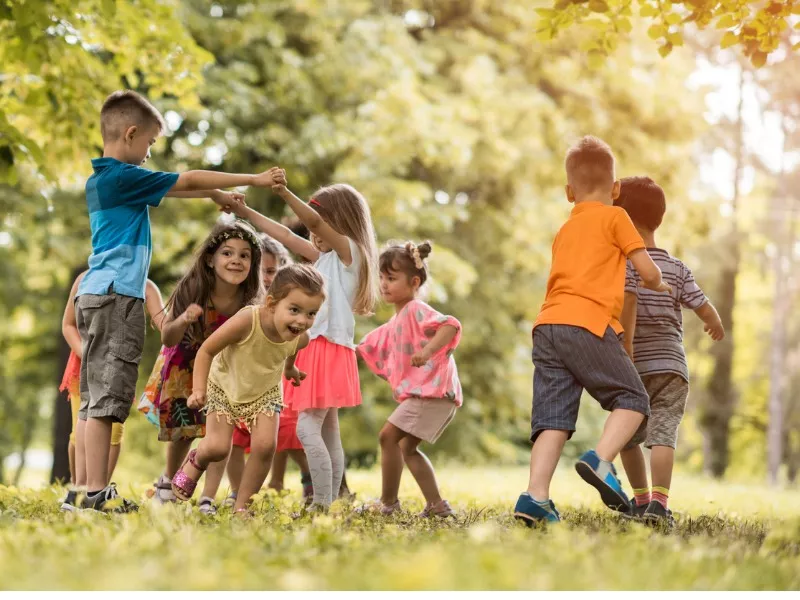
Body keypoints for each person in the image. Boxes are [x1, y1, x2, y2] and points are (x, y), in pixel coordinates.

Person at [74, 88, 283, 512]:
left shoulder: (104, 180)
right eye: (149, 143)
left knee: (97, 397)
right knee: (109, 399)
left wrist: (215, 197)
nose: (150, 153)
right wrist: (253, 180)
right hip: (117, 297)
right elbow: (184, 180)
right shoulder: (122, 176)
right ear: (130, 133)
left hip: (98, 294)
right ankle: (93, 493)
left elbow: (177, 188)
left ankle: (87, 490)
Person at [512, 135, 670, 525]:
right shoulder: (617, 217)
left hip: (547, 326)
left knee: (552, 419)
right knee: (634, 400)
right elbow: (646, 269)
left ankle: (535, 497)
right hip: (587, 323)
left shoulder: (565, 229)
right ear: (616, 190)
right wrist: (659, 282)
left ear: (569, 192)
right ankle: (601, 460)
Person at [231, 180, 378, 510]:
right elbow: (286, 236)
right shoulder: (325, 258)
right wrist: (244, 212)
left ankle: (321, 504)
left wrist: (284, 192)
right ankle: (330, 501)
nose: (313, 233)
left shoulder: (350, 254)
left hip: (326, 348)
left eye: (321, 222)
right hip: (318, 348)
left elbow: (312, 223)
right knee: (328, 432)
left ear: (340, 222)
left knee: (307, 427)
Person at [173, 264, 326, 514]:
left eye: (311, 313)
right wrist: (198, 390)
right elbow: (207, 350)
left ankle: (243, 506)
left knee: (265, 446)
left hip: (264, 392)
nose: (302, 321)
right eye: (295, 310)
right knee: (218, 447)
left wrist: (289, 370)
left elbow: (292, 350)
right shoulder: (248, 319)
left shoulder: (301, 337)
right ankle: (196, 458)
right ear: (271, 303)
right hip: (225, 385)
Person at [616, 176, 725, 527]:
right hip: (672, 367)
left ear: (623, 219)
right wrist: (715, 323)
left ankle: (641, 500)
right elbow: (702, 305)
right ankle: (660, 504)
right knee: (664, 433)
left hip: (633, 366)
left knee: (627, 437)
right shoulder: (676, 267)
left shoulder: (624, 264)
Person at [143, 221, 264, 515]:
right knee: (183, 431)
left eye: (244, 255)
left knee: (220, 432)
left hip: (223, 371)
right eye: (227, 253)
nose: (236, 260)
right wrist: (184, 318)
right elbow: (168, 336)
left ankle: (207, 497)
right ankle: (168, 484)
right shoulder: (194, 287)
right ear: (210, 259)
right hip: (184, 365)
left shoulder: (249, 300)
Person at [358, 241, 462, 518]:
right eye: (381, 277)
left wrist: (427, 351)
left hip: (434, 393)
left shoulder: (416, 309)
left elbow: (450, 325)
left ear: (414, 281)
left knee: (387, 437)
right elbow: (370, 345)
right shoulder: (397, 320)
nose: (384, 284)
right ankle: (437, 506)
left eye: (391, 278)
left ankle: (388, 503)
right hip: (433, 395)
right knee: (406, 447)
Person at [59, 272, 165, 511]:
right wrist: (88, 356)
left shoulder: (144, 284)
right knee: (80, 432)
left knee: (113, 431)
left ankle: (99, 491)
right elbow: (68, 325)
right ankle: (78, 489)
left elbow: (164, 323)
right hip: (83, 369)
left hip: (117, 368)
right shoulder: (84, 279)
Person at [225, 236, 314, 507]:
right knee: (236, 438)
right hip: (240, 380)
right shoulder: (242, 301)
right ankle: (238, 491)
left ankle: (304, 478)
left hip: (275, 379)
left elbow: (296, 340)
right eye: (261, 269)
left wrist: (290, 367)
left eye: (272, 271)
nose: (265, 277)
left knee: (284, 434)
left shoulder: (287, 306)